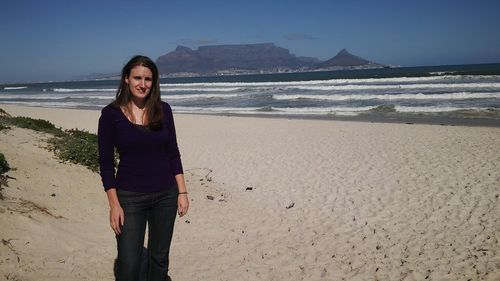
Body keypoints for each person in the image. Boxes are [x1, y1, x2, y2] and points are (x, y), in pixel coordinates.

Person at [98, 55, 189, 281]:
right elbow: (106, 164)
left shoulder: (164, 110)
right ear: (126, 79)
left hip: (166, 195)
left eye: (148, 79)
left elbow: (173, 152)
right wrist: (114, 204)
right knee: (129, 265)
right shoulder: (110, 115)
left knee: (159, 260)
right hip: (129, 197)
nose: (143, 84)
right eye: (137, 78)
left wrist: (182, 192)